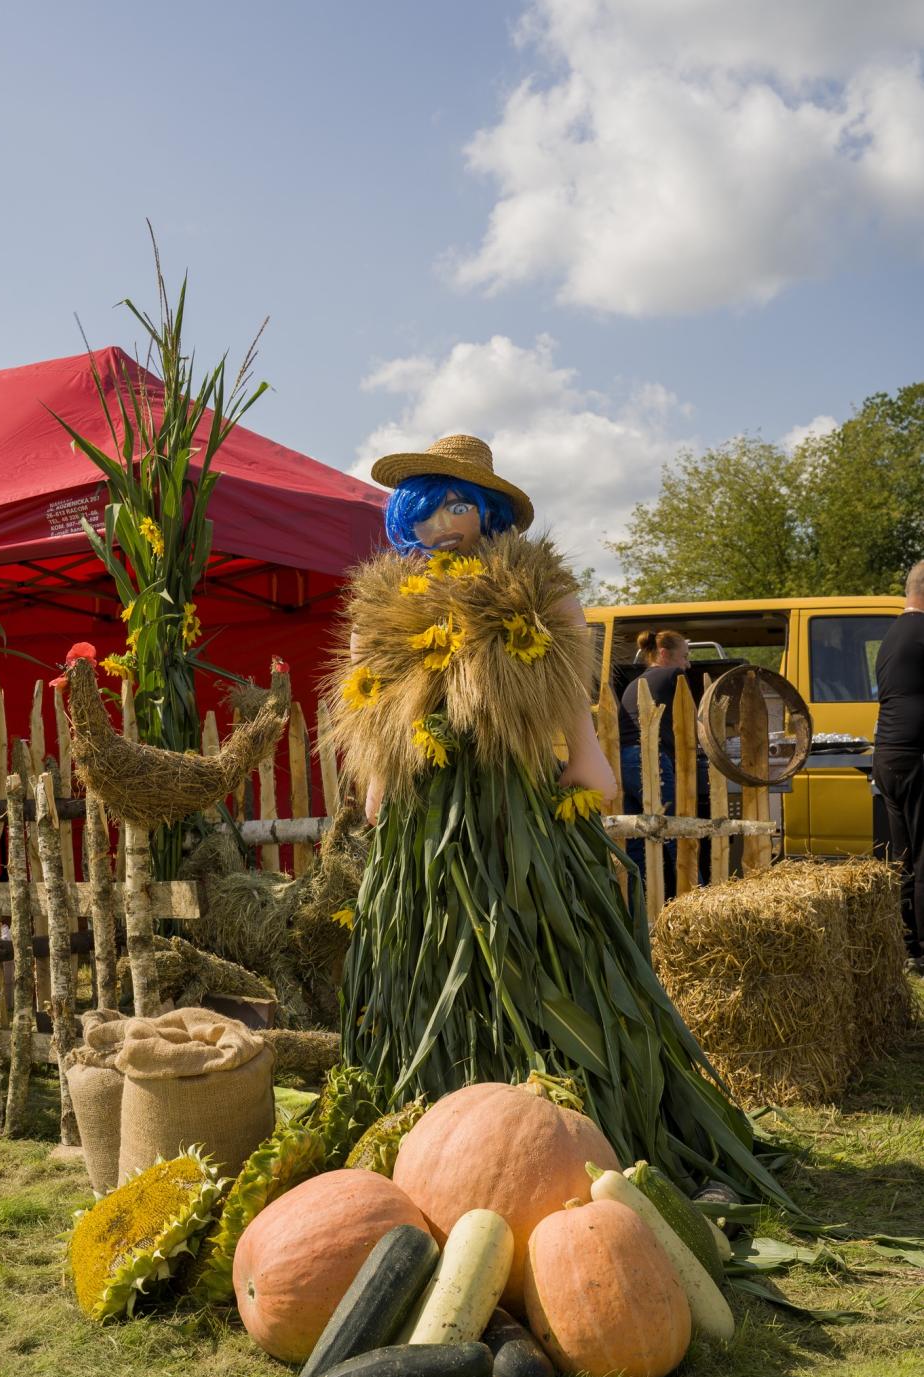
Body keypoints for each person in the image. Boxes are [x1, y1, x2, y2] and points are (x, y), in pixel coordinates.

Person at [328, 433, 789, 1207]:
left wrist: (588, 758)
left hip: (519, 809)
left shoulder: (532, 587)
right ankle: (430, 1143)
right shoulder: (385, 600)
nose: (442, 522)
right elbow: (370, 703)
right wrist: (376, 786)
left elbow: (570, 689)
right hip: (426, 822)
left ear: (487, 510)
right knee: (436, 967)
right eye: (427, 508)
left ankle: (590, 1134)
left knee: (545, 951)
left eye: (457, 504)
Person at [872, 559, 924, 971]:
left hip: (888, 753)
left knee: (903, 856)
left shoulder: (892, 635)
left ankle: (907, 945)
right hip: (915, 753)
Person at [618, 629, 691, 885]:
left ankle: (638, 899)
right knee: (676, 832)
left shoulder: (635, 682)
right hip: (649, 759)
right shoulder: (673, 675)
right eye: (684, 656)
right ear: (663, 653)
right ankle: (698, 897)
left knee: (637, 836)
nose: (687, 664)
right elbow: (692, 717)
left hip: (624, 761)